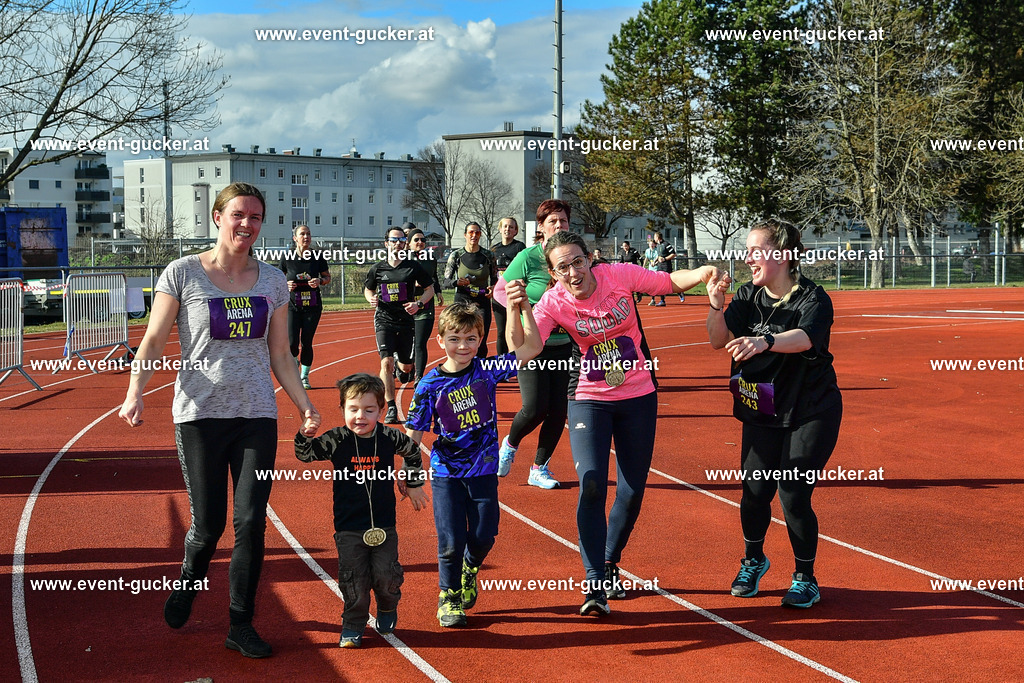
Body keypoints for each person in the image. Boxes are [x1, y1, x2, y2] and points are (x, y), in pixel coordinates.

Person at [118, 182, 321, 659]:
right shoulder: (184, 273)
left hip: (256, 415)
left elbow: (281, 354)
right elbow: (153, 340)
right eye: (237, 215)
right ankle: (190, 578)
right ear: (217, 218)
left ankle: (240, 623)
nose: (246, 224)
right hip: (199, 414)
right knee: (208, 527)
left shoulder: (272, 281)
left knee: (250, 522)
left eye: (254, 217)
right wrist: (136, 392)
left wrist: (303, 404)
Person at [507, 230, 725, 616]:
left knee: (631, 489)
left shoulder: (618, 276)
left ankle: (609, 561)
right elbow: (527, 349)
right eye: (562, 268)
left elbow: (669, 281)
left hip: (638, 395)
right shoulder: (553, 303)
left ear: (589, 259)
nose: (573, 272)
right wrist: (514, 310)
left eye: (577, 262)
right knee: (591, 483)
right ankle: (594, 583)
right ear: (553, 274)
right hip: (589, 399)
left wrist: (703, 272)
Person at [706, 219, 842, 609]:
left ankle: (805, 578)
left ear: (781, 255)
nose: (748, 258)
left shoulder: (813, 298)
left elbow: (805, 339)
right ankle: (753, 560)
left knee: (793, 492)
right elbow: (718, 340)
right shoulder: (748, 295)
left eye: (756, 250)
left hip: (811, 410)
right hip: (762, 408)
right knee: (754, 492)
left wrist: (764, 340)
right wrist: (716, 305)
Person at [405, 301, 543, 627]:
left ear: (480, 340)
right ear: (440, 341)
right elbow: (413, 432)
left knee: (483, 535)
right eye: (454, 339)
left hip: (483, 471)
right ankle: (449, 596)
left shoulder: (487, 371)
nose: (463, 346)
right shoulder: (429, 385)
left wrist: (523, 307)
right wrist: (410, 471)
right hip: (446, 473)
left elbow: (533, 347)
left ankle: (471, 566)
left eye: (470, 338)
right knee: (450, 539)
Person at [295, 373, 428, 647]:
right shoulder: (336, 439)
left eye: (369, 410)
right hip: (348, 528)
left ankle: (388, 606)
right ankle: (353, 624)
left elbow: (413, 452)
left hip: (384, 526)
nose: (360, 416)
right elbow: (306, 455)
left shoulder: (390, 436)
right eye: (353, 409)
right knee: (353, 581)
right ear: (342, 409)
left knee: (386, 576)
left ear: (381, 410)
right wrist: (304, 434)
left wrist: (413, 483)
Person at [497, 199, 573, 489]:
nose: (558, 226)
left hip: (567, 344)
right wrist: (522, 307)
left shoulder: (574, 256)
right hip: (533, 345)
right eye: (552, 222)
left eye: (563, 221)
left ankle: (539, 468)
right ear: (541, 227)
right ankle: (510, 444)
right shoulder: (528, 258)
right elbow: (499, 291)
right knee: (535, 408)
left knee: (559, 409)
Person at [364, 227, 435, 424]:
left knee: (406, 367)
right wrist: (371, 299)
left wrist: (418, 303)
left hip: (406, 322)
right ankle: (392, 408)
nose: (398, 243)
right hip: (384, 320)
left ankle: (400, 367)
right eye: (394, 240)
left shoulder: (413, 267)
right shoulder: (378, 268)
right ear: (386, 243)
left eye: (401, 240)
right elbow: (368, 290)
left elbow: (429, 289)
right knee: (385, 362)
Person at [278, 225, 331, 389]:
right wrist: (286, 284)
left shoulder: (317, 256)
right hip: (293, 304)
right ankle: (295, 366)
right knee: (293, 342)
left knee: (307, 342)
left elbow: (327, 277)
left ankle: (304, 377)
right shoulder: (287, 257)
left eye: (308, 234)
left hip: (312, 305)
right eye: (302, 234)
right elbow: (279, 278)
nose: (306, 236)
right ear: (295, 238)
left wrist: (320, 281)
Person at [443, 222, 498, 358]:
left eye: (477, 232)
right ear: (465, 235)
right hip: (462, 302)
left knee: (480, 339)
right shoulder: (456, 255)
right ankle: (462, 369)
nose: (474, 236)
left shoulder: (489, 256)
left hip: (481, 302)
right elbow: (446, 282)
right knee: (461, 336)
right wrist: (457, 282)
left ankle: (479, 372)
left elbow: (495, 278)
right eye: (471, 232)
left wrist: (493, 288)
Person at [408, 226, 444, 382]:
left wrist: (438, 292)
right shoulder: (403, 259)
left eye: (423, 240)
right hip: (406, 305)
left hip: (425, 304)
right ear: (408, 243)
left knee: (421, 342)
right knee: (407, 341)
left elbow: (434, 277)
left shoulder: (430, 258)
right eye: (416, 240)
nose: (420, 242)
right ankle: (404, 366)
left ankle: (419, 376)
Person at [491, 217, 526, 356]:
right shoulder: (494, 249)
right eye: (505, 226)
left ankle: (519, 360)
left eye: (511, 227)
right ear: (500, 229)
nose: (508, 229)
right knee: (501, 331)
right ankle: (502, 364)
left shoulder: (519, 247)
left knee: (516, 329)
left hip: (514, 293)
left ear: (516, 231)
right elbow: (491, 272)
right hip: (498, 295)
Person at [653, 232, 680, 304]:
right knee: (660, 282)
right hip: (660, 266)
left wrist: (665, 259)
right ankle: (662, 300)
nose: (654, 238)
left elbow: (673, 254)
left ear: (658, 237)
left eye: (654, 237)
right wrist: (655, 261)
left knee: (670, 281)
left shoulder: (666, 244)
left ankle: (679, 291)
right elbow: (659, 256)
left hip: (666, 266)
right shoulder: (658, 245)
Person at [641, 236, 660, 306]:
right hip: (651, 268)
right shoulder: (647, 251)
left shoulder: (657, 250)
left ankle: (678, 292)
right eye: (650, 244)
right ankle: (653, 299)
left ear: (655, 244)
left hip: (657, 267)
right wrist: (643, 266)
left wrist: (655, 263)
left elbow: (658, 258)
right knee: (652, 285)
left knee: (659, 284)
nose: (651, 246)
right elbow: (646, 258)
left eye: (652, 244)